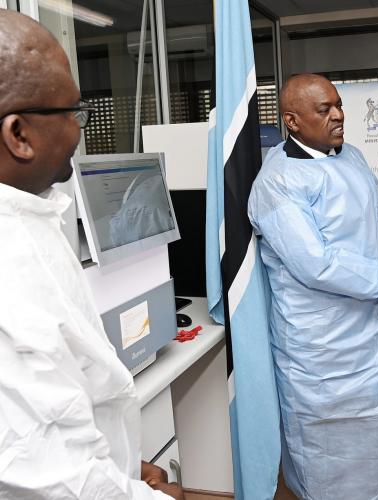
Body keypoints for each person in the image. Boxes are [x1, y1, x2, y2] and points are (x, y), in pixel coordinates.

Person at [0, 10, 183, 499]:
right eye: (73, 113)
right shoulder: (9, 269)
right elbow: (47, 477)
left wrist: (120, 462)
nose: (81, 130)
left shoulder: (27, 217)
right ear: (18, 134)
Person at [248, 74, 378, 500]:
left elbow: (370, 230)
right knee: (328, 455)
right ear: (292, 121)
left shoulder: (350, 156)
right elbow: (317, 264)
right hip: (320, 352)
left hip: (368, 338)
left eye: (339, 105)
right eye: (324, 110)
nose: (338, 115)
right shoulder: (277, 185)